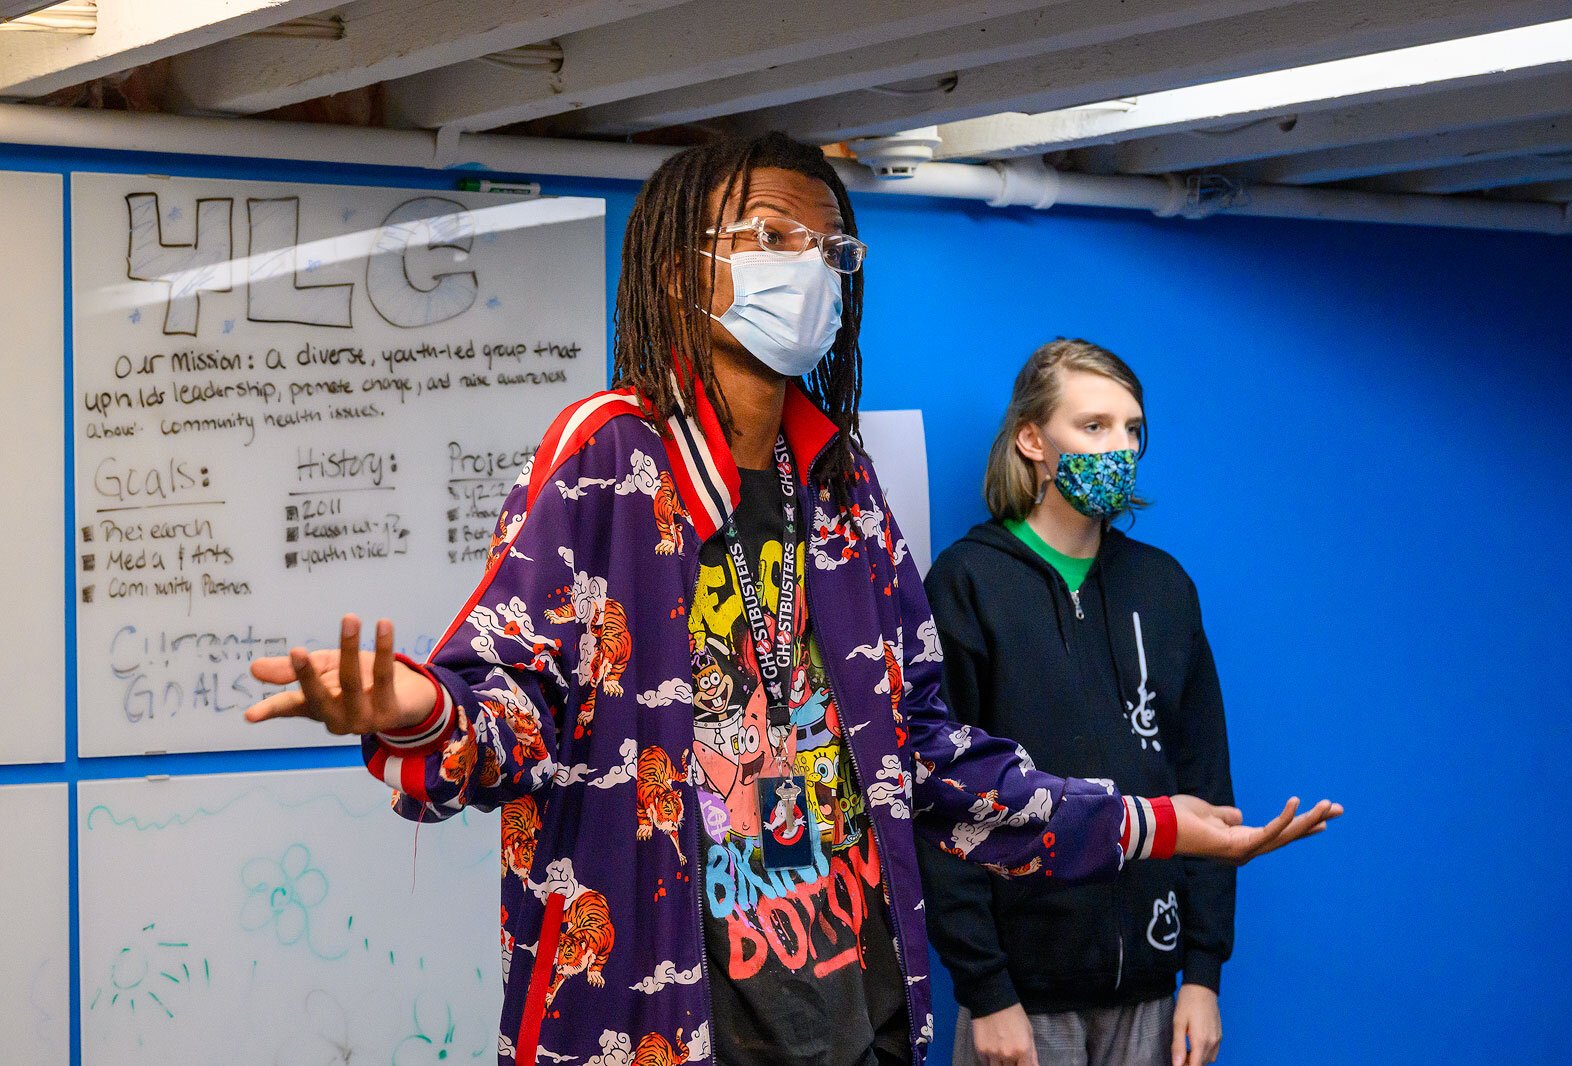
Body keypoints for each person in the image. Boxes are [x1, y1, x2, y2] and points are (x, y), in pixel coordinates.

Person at [244, 134, 1339, 1066]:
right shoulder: (610, 455)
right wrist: (415, 709)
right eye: (770, 237)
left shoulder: (841, 483)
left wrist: (1152, 824)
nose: (805, 269)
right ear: (681, 271)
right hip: (668, 1026)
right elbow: (511, 716)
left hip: (858, 1018)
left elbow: (928, 759)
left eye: (828, 247)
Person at [917, 340, 1257, 1066]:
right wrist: (986, 989)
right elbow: (943, 799)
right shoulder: (967, 584)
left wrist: (1202, 975)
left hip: (1154, 994)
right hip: (1022, 1002)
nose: (1121, 448)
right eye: (1094, 426)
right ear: (1032, 440)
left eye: (1132, 429)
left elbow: (1204, 781)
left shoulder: (1165, 588)